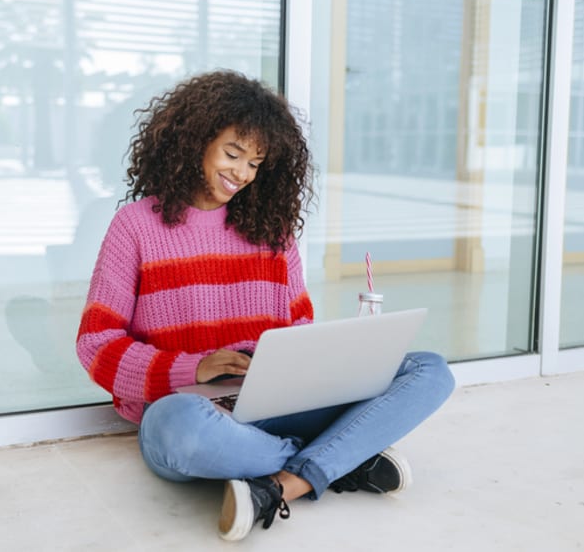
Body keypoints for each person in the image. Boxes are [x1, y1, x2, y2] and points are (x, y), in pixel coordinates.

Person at [76, 70, 455, 541]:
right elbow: (97, 345)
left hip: (277, 404)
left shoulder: (272, 231)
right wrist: (193, 369)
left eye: (255, 163)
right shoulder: (134, 227)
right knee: (178, 429)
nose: (242, 173)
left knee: (429, 369)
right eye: (232, 153)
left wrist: (315, 360)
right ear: (193, 141)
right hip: (194, 411)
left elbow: (300, 325)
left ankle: (284, 484)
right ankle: (341, 459)